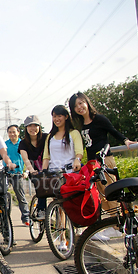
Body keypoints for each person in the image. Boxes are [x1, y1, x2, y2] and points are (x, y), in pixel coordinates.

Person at [69, 92, 137, 214]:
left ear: (87, 102)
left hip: (104, 161)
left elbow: (113, 131)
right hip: (92, 164)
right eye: (75, 106)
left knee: (111, 192)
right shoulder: (81, 124)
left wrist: (126, 140)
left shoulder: (99, 119)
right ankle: (114, 222)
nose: (79, 107)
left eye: (81, 103)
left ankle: (118, 225)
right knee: (100, 196)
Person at [41, 105, 83, 252]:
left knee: (73, 202)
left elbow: (79, 151)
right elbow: (46, 156)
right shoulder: (50, 137)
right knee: (60, 207)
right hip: (54, 173)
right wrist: (43, 172)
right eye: (54, 116)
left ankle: (77, 229)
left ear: (66, 117)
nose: (57, 119)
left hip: (70, 173)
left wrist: (77, 160)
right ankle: (62, 239)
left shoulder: (74, 133)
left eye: (59, 116)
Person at [18, 115, 48, 222]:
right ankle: (40, 209)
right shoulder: (23, 143)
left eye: (35, 125)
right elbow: (26, 159)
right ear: (26, 128)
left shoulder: (46, 138)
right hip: (34, 170)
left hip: (48, 168)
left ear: (39, 126)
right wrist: (32, 171)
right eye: (30, 126)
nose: (33, 128)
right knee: (41, 185)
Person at [4, 125, 30, 225]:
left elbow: (28, 160)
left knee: (20, 195)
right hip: (5, 173)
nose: (12, 134)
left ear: (18, 132)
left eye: (14, 132)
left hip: (18, 173)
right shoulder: (5, 144)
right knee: (3, 195)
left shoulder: (23, 144)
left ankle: (26, 217)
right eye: (10, 132)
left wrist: (26, 172)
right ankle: (4, 219)